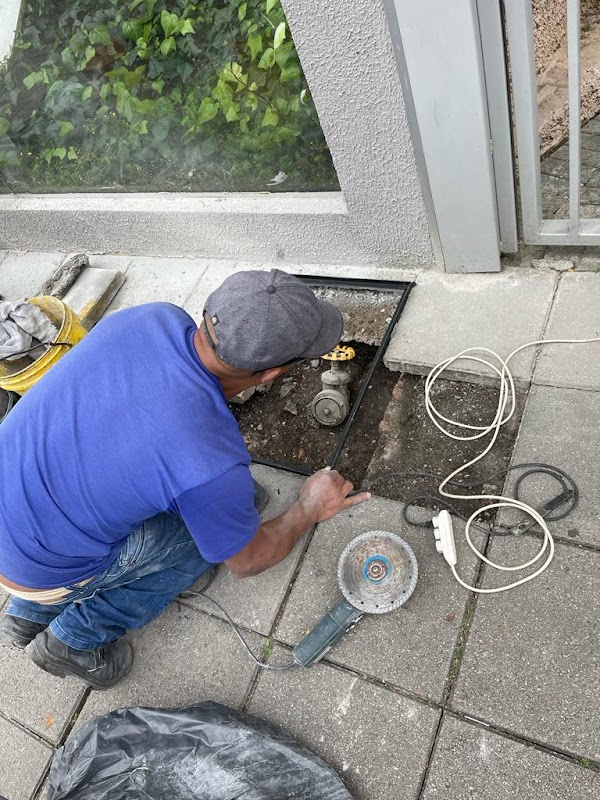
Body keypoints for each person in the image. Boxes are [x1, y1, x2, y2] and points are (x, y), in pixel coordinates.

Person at [0, 269, 370, 689]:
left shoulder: (151, 317)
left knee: (216, 503)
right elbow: (248, 561)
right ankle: (74, 639)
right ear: (270, 374)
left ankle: (27, 613)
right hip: (40, 569)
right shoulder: (207, 459)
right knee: (211, 541)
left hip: (14, 501)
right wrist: (309, 507)